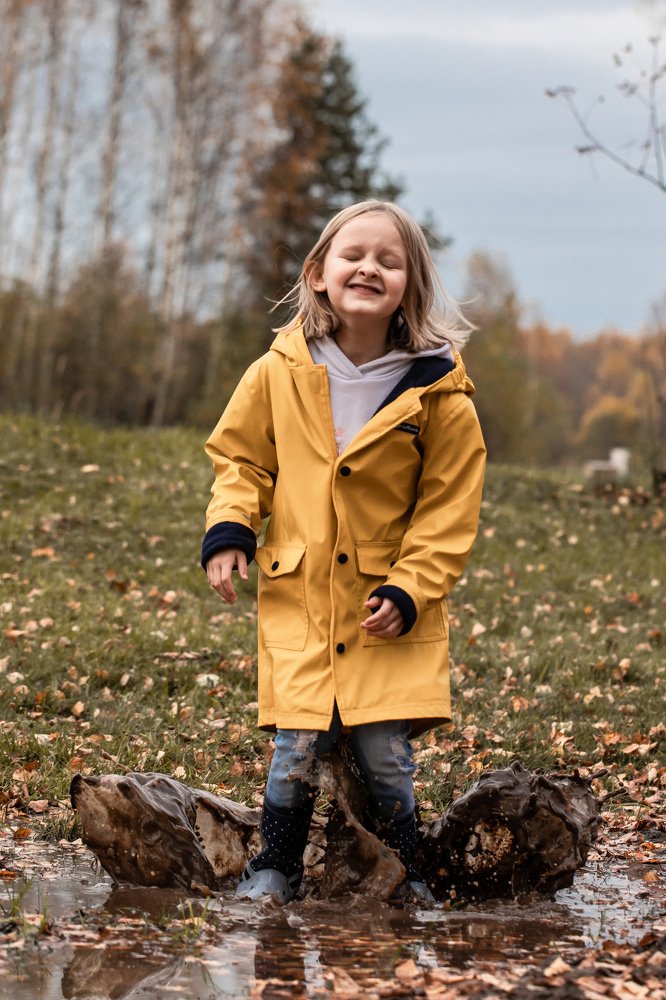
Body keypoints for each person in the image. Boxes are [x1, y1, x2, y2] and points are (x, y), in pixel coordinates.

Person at [202, 200, 486, 904]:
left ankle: (405, 871)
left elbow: (449, 508)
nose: (369, 267)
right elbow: (240, 458)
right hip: (302, 599)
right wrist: (231, 527)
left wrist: (411, 589)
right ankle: (275, 866)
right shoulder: (277, 370)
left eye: (390, 261)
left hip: (385, 607)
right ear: (319, 274)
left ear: (410, 288)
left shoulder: (439, 392)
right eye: (353, 255)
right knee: (293, 749)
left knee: (387, 757)